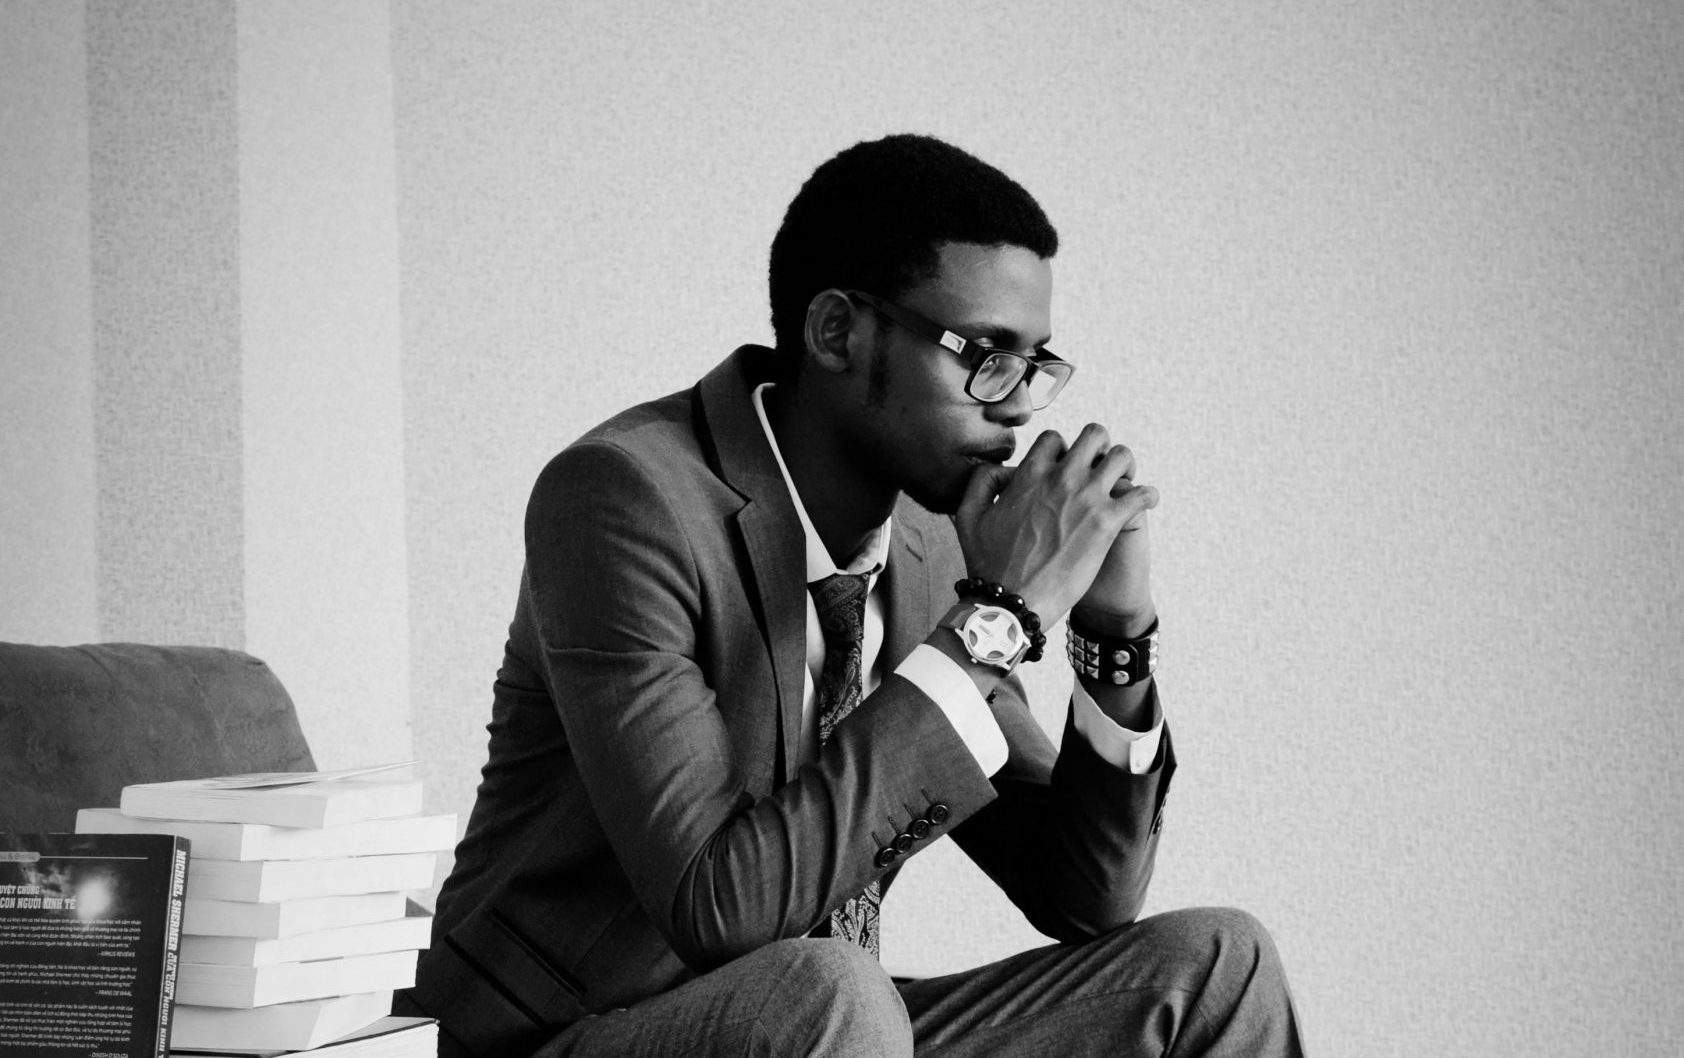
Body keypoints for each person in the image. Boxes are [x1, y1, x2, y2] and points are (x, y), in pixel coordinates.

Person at [399, 133, 1303, 1057]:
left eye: (1036, 363)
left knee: (1216, 966)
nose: (1022, 405)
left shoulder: (932, 536)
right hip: (565, 1033)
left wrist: (1114, 632)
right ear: (838, 331)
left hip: (828, 1028)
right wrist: (1001, 616)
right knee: (832, 992)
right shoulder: (623, 500)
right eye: (986, 355)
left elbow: (1082, 891)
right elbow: (716, 907)